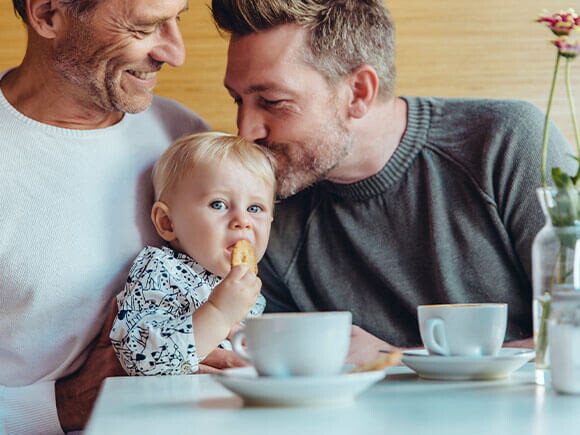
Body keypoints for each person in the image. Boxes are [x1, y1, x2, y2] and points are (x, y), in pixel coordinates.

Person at [210, 0, 577, 362]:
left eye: (272, 101)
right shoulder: (260, 209)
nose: (245, 132)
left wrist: (397, 359)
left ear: (358, 93)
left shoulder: (507, 143)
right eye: (237, 100)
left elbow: (573, 332)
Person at [0, 0, 210, 432]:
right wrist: (61, 407)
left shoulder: (186, 139)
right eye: (145, 27)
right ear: (48, 15)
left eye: (178, 20)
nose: (175, 52)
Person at [110, 131, 276, 376]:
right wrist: (219, 314)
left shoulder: (250, 291)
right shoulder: (159, 271)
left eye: (255, 208)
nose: (243, 220)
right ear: (167, 222)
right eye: (218, 204)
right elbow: (139, 357)